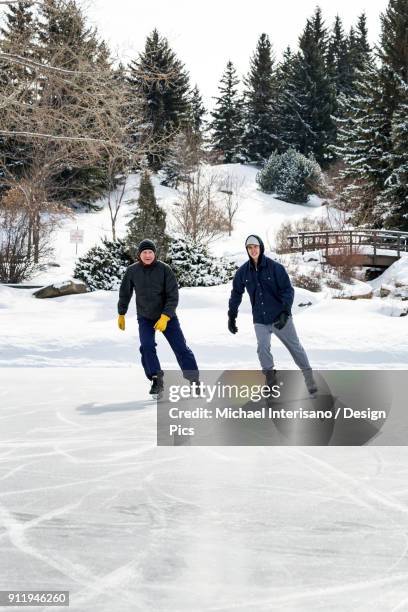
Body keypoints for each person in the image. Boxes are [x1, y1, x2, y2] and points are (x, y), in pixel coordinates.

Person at [228, 234, 317, 395]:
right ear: (247, 250)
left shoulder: (275, 268)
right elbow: (236, 293)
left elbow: (288, 290)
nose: (253, 250)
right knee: (262, 349)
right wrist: (232, 316)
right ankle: (270, 380)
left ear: (261, 247)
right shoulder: (243, 272)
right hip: (260, 319)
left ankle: (309, 377)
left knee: (295, 348)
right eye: (249, 247)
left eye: (255, 246)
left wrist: (285, 311)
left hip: (280, 317)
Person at [117, 238, 199, 396]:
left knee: (180, 347)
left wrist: (165, 316)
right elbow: (125, 292)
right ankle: (156, 378)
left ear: (154, 254)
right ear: (139, 254)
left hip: (167, 317)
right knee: (146, 347)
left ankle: (194, 380)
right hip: (145, 317)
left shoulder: (164, 269)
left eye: (150, 252)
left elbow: (173, 295)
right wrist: (121, 312)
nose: (147, 255)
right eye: (144, 252)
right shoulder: (132, 271)